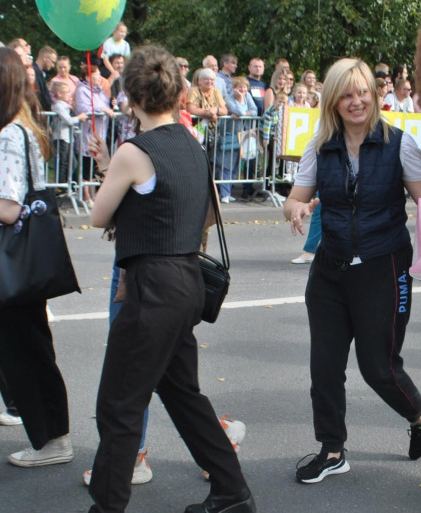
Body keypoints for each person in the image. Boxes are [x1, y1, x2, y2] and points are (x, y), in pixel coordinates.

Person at [282, 57, 421, 482]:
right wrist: (296, 208)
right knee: (324, 368)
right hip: (329, 271)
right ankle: (331, 450)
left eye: (363, 92)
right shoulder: (320, 146)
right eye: (347, 94)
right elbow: (295, 197)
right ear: (333, 100)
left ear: (375, 94)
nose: (356, 101)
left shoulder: (399, 143)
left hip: (382, 267)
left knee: (378, 367)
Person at [86, 45, 255, 513]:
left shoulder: (133, 150)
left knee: (118, 407)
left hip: (152, 287)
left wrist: (109, 173)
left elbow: (100, 216)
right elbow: (196, 210)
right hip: (186, 281)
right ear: (180, 93)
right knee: (182, 394)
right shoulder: (191, 144)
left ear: (130, 97)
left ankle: (106, 506)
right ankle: (231, 491)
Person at [0, 46, 73, 468]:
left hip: (13, 262)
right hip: (21, 261)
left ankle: (51, 440)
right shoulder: (21, 129)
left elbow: (9, 207)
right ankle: (48, 434)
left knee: (26, 351)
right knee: (29, 347)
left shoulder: (10, 133)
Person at [76, 60, 115, 208]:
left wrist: (111, 104)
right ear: (87, 77)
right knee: (87, 165)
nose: (100, 77)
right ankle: (86, 196)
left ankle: (93, 194)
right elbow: (84, 107)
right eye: (97, 75)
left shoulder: (100, 91)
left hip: (100, 133)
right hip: (88, 133)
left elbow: (105, 105)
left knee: (95, 166)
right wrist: (103, 109)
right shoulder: (82, 90)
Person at [216, 76, 258, 202]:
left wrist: (244, 113)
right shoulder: (229, 98)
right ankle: (224, 193)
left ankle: (228, 192)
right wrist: (240, 101)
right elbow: (236, 110)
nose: (243, 89)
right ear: (235, 88)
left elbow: (255, 111)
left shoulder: (248, 96)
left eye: (245, 87)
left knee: (235, 165)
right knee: (226, 164)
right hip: (230, 134)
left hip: (243, 135)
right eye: (240, 87)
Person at [49, 81, 89, 185]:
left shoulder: (65, 105)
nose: (69, 94)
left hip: (68, 137)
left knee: (72, 163)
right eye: (67, 92)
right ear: (59, 93)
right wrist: (79, 118)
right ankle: (60, 185)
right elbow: (68, 120)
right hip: (61, 137)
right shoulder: (58, 106)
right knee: (63, 162)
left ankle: (66, 182)